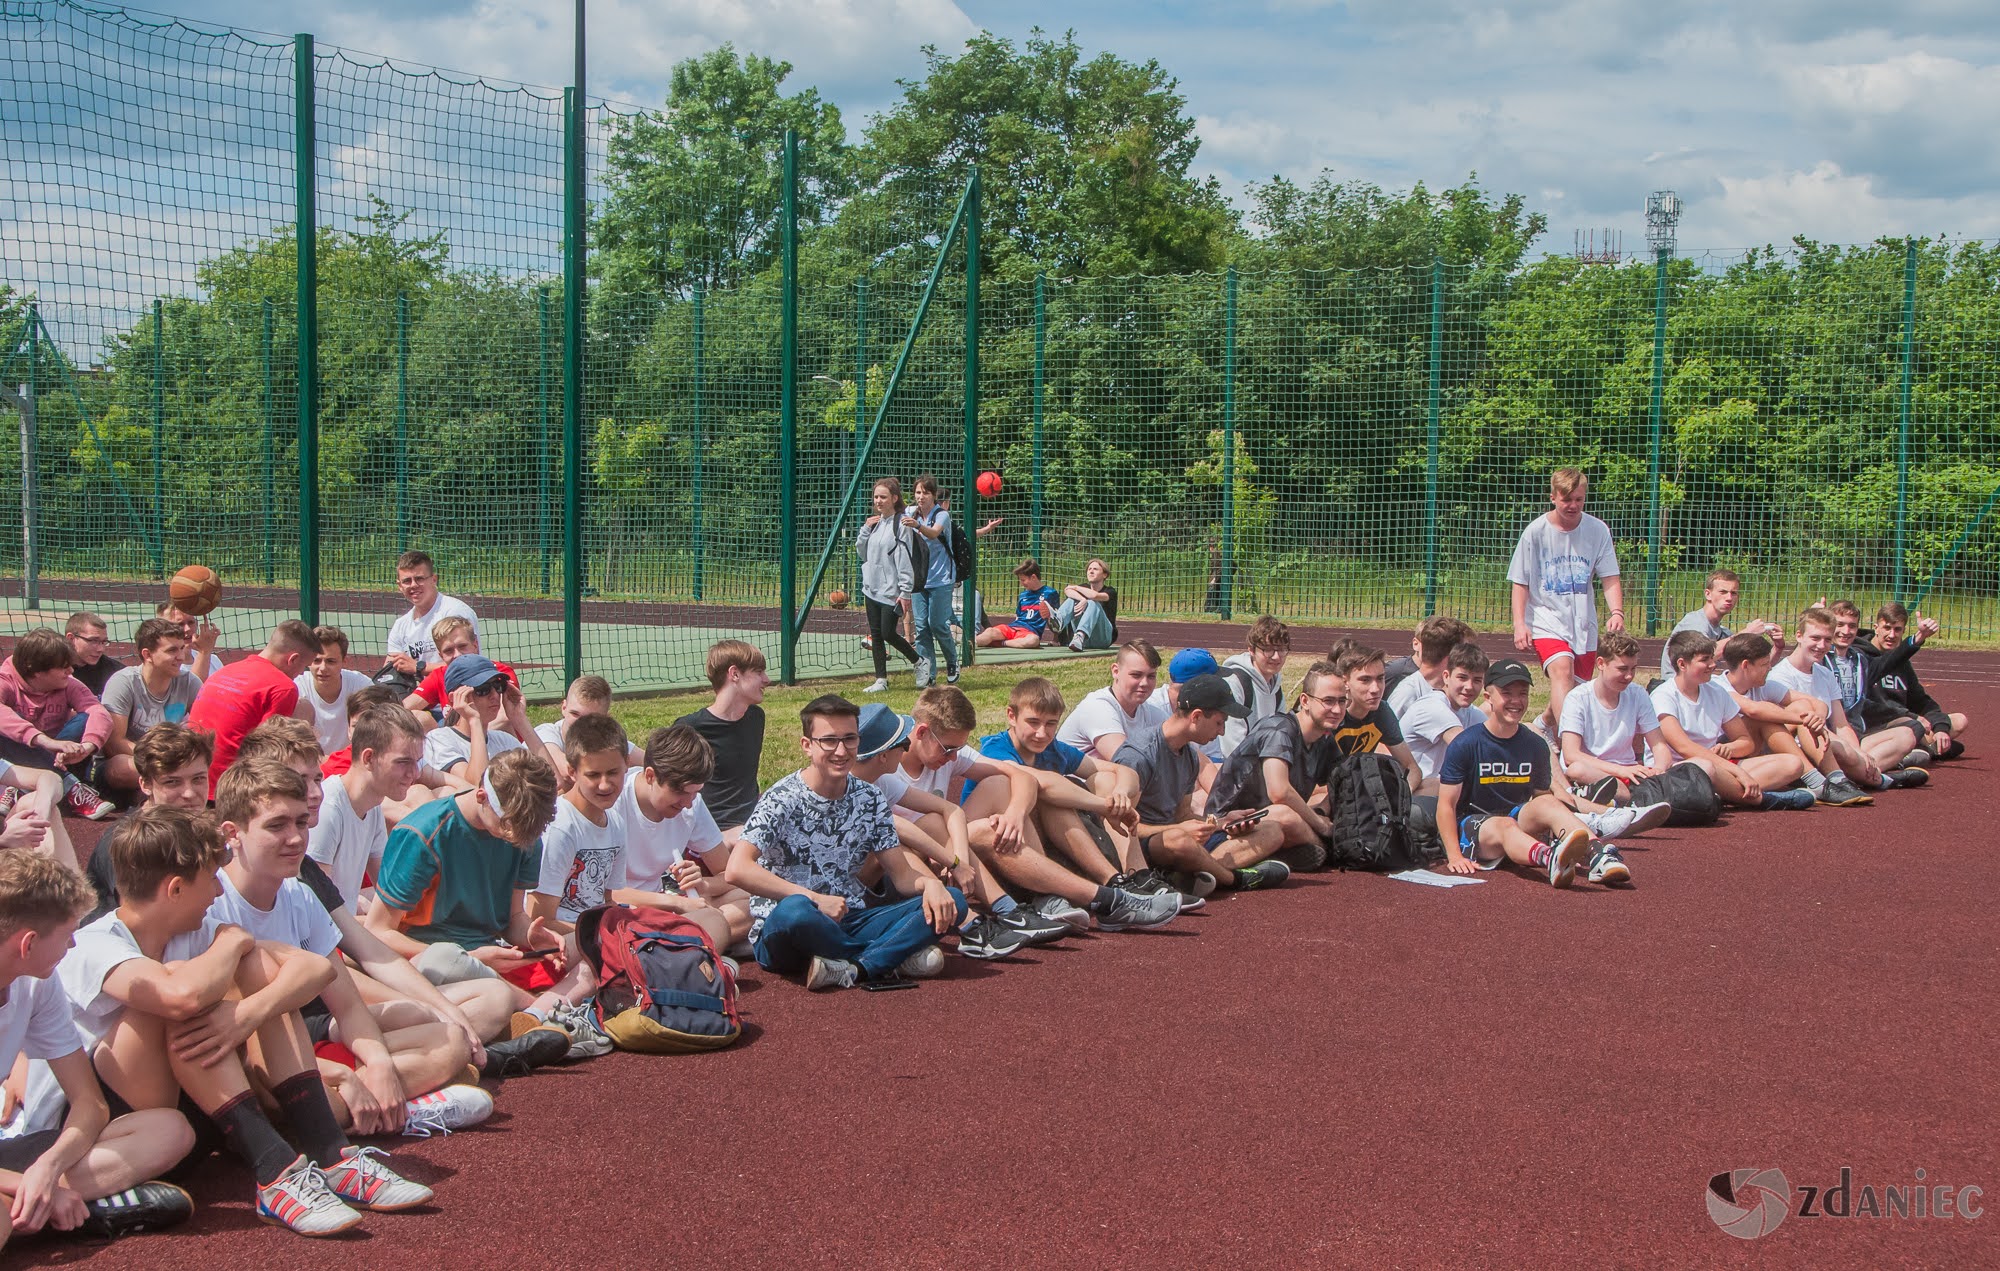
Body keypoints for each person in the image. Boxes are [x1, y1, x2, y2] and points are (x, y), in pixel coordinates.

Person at [53, 806, 433, 1236]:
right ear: (175, 889)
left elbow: (314, 969)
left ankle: (331, 1156)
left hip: (194, 1106)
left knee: (255, 971)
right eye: (211, 879)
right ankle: (275, 1169)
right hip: (112, 1121)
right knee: (185, 988)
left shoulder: (200, 930)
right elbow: (180, 997)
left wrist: (250, 1008)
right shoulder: (93, 943)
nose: (219, 890)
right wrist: (232, 944)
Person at [211, 760, 490, 1139]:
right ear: (233, 833)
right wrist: (340, 1074)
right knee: (283, 1093)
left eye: (300, 822)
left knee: (451, 1040)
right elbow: (238, 1046)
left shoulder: (300, 894)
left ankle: (367, 1109)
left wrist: (378, 1066)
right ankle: (393, 1110)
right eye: (276, 826)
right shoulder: (211, 904)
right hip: (244, 1064)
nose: (295, 838)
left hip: (306, 1047)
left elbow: (346, 1001)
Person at [0, 851, 193, 1246]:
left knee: (170, 1130)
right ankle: (65, 1208)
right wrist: (34, 1185)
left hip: (9, 1150)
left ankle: (37, 1208)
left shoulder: (39, 982)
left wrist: (48, 1169)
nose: (74, 944)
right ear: (28, 943)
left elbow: (90, 1103)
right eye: (68, 933)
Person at [364, 748, 607, 1055]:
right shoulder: (423, 834)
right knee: (453, 963)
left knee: (594, 942)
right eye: (506, 824)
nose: (512, 836)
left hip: (493, 956)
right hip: (431, 960)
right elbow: (377, 933)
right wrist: (472, 956)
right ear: (481, 796)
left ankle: (533, 1018)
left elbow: (512, 920)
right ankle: (542, 1013)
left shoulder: (522, 833)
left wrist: (531, 935)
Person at [723, 695, 965, 991]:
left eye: (849, 740)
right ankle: (888, 957)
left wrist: (930, 885)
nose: (841, 751)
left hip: (849, 918)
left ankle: (856, 968)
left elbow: (901, 876)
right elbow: (737, 869)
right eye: (829, 741)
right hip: (790, 929)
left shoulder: (871, 797)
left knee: (955, 900)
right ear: (807, 745)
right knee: (795, 909)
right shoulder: (781, 798)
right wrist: (815, 899)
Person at [973, 679, 1182, 933]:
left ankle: (1126, 879)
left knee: (1105, 779)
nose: (1042, 733)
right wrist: (1104, 806)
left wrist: (1120, 797)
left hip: (1039, 847)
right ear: (1011, 716)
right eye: (1033, 722)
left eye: (1051, 724)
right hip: (1002, 854)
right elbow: (1042, 782)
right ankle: (1099, 891)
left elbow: (1124, 771)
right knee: (1046, 793)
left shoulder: (1054, 750)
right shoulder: (995, 749)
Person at [1436, 658, 1609, 886]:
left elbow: (1541, 800)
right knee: (1505, 824)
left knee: (1549, 802)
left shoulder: (1535, 745)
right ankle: (1550, 858)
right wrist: (1455, 855)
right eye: (1507, 693)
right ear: (1488, 698)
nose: (1516, 701)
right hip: (1474, 828)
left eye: (1523, 693)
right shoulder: (1465, 744)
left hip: (1516, 819)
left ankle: (1599, 854)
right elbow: (1445, 805)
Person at [1115, 675, 1293, 891]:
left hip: (1180, 840)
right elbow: (1121, 828)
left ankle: (1197, 874)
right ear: (1197, 716)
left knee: (1272, 830)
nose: (1222, 732)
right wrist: (1180, 829)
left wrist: (1221, 823)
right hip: (1147, 846)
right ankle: (1234, 879)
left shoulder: (1189, 755)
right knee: (1178, 840)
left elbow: (1183, 816)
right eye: (1219, 722)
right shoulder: (1138, 755)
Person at [617, 725, 755, 952]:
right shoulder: (615, 802)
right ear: (651, 776)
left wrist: (702, 883)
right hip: (623, 911)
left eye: (696, 792)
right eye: (681, 792)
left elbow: (729, 874)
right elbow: (606, 892)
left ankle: (692, 942)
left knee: (756, 898)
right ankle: (705, 941)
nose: (688, 802)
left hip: (664, 909)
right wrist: (679, 903)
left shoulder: (691, 805)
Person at [1508, 467, 1623, 737]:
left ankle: (1545, 723)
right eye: (1566, 499)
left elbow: (1610, 576)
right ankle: (1569, 744)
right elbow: (1520, 581)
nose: (1572, 506)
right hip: (1546, 618)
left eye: (1579, 500)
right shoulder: (1535, 532)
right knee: (1562, 670)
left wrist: (1616, 611)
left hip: (1583, 623)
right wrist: (1519, 623)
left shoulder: (1597, 530)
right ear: (1553, 497)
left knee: (1577, 687)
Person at [1204, 660, 1346, 871]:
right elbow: (1279, 792)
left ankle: (1283, 854)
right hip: (1230, 824)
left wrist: (1323, 811)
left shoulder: (1324, 737)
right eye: (1328, 701)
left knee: (1312, 806)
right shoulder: (1280, 730)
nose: (1337, 709)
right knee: (1286, 816)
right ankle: (1331, 850)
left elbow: (1339, 782)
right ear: (1305, 701)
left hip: (1269, 819)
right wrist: (1322, 825)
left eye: (1342, 701)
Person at [1769, 607, 1926, 797]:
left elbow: (1842, 724)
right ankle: (1881, 779)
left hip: (1830, 743)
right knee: (1836, 744)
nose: (1821, 645)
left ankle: (1856, 776)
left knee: (1905, 735)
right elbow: (1791, 730)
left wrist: (1859, 753)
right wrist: (1852, 752)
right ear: (1799, 636)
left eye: (1827, 639)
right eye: (1815, 638)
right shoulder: (1780, 676)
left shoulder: (1825, 673)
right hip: (1803, 748)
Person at [1649, 630, 1814, 810]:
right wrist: (1738, 772)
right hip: (1681, 770)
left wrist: (1729, 748)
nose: (1712, 665)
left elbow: (1746, 742)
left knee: (1793, 764)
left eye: (1712, 658)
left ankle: (1725, 793)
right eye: (1705, 660)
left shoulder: (1717, 691)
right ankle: (1760, 800)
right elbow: (1684, 748)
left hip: (1719, 767)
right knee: (1705, 767)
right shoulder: (1663, 695)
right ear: (1682, 664)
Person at [184, 618, 318, 796]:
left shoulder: (227, 670)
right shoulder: (282, 686)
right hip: (230, 789)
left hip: (194, 778)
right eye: (304, 667)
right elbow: (270, 751)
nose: (301, 673)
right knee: (304, 709)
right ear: (293, 659)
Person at [0, 628, 114, 820]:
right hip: (19, 757)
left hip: (62, 757)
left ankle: (21, 790)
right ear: (36, 671)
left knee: (86, 718)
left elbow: (98, 712)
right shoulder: (6, 680)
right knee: (6, 725)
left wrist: (88, 746)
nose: (70, 671)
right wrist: (42, 740)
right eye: (63, 667)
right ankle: (71, 787)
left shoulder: (69, 683)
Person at [673, 640, 768, 838]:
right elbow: (676, 793)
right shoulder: (690, 728)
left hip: (751, 823)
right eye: (758, 672)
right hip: (708, 831)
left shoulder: (756, 718)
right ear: (734, 674)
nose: (766, 679)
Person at [1822, 600, 1930, 773]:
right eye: (1839, 625)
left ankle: (1859, 771)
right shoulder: (1819, 658)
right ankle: (1877, 772)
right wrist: (1813, 617)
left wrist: (1918, 638)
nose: (1845, 631)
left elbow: (1890, 660)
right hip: (1829, 736)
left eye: (1852, 626)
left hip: (1857, 734)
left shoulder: (1860, 661)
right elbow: (1802, 652)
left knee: (1908, 734)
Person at [98, 618, 202, 796]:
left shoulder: (189, 682)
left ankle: (162, 794)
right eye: (172, 650)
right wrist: (161, 759)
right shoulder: (124, 682)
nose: (181, 657)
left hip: (172, 762)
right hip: (135, 760)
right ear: (147, 655)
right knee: (122, 768)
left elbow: (206, 726)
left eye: (181, 648)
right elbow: (114, 744)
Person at [1863, 602, 1968, 760]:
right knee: (1911, 726)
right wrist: (1912, 717)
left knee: (1959, 721)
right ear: (1876, 627)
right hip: (1877, 723)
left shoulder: (1903, 664)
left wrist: (1940, 729)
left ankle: (1923, 748)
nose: (1892, 635)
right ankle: (1922, 749)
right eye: (1887, 628)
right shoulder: (1860, 657)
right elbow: (1868, 706)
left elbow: (1921, 702)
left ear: (1904, 631)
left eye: (1897, 629)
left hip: (1908, 722)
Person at [419, 655, 532, 789]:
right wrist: (474, 721)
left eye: (498, 686)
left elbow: (551, 781)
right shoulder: (439, 739)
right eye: (483, 689)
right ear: (455, 698)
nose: (495, 695)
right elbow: (479, 788)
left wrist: (520, 720)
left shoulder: (504, 740)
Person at [1325, 639, 1422, 794]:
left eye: (1380, 678)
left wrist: (1403, 796)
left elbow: (1412, 768)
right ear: (1345, 682)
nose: (1376, 689)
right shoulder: (1329, 714)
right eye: (1365, 680)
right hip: (1324, 793)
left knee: (1433, 785)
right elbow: (1313, 783)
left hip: (1359, 789)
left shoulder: (1381, 711)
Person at [855, 477, 921, 693]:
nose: (878, 501)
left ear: (894, 498)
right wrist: (865, 530)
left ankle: (919, 662)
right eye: (876, 497)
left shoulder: (901, 524)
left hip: (892, 590)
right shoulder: (874, 524)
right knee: (876, 633)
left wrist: (905, 591)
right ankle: (881, 679)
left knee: (888, 633)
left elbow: (904, 559)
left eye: (883, 497)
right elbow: (863, 553)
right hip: (871, 587)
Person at [1658, 569, 1783, 681]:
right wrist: (1747, 633)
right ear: (1708, 594)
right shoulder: (1694, 622)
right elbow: (1700, 655)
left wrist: (1778, 648)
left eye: (1733, 593)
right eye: (1723, 592)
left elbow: (1755, 669)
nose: (1729, 598)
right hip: (1677, 687)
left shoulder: (1723, 632)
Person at [1056, 640, 1167, 761]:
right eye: (1136, 675)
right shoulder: (1097, 708)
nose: (1144, 683)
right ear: (1115, 671)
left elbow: (1186, 745)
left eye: (1151, 676)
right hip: (1069, 778)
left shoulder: (1147, 710)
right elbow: (1126, 761)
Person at [400, 616, 521, 726]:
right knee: (419, 719)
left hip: (500, 743)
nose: (457, 655)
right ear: (441, 655)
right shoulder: (440, 675)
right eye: (449, 651)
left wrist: (468, 740)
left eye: (462, 646)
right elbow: (404, 708)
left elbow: (503, 718)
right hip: (459, 740)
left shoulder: (499, 672)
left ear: (475, 645)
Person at [533, 675, 640, 791]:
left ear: (605, 719)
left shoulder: (606, 741)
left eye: (589, 718)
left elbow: (651, 761)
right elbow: (566, 771)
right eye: (575, 714)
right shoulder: (545, 733)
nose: (579, 723)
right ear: (564, 707)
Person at [903, 475, 961, 688]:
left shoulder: (942, 515)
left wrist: (917, 525)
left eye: (925, 493)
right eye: (918, 493)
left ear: (934, 495)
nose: (921, 497)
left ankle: (953, 661)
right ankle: (928, 673)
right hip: (919, 579)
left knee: (936, 624)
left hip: (941, 578)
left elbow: (934, 533)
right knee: (921, 627)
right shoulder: (910, 512)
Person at [385, 551, 480, 676]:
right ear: (400, 586)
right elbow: (389, 667)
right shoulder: (400, 625)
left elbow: (467, 664)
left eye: (419, 579)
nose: (413, 585)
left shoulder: (454, 612)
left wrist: (418, 667)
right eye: (407, 581)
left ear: (434, 579)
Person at [292, 626, 373, 755]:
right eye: (316, 661)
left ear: (344, 660)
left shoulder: (361, 685)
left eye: (331, 661)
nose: (323, 668)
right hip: (309, 764)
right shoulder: (296, 687)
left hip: (350, 763)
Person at [1217, 618, 1289, 757]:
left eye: (1281, 649)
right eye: (1268, 650)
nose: (1276, 657)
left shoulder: (1275, 687)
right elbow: (1232, 747)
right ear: (1251, 649)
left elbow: (1279, 734)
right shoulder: (1235, 683)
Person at [1385, 616, 1476, 714]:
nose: (1470, 657)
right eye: (1466, 652)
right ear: (1451, 657)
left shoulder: (1454, 692)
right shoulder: (1408, 693)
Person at [318, 685, 405, 779]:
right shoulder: (337, 772)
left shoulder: (410, 761)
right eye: (356, 726)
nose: (363, 733)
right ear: (349, 730)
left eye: (373, 727)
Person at [975, 558, 1060, 650]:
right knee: (990, 631)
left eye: (1023, 580)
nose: (1021, 583)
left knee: (1034, 640)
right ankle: (970, 644)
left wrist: (1056, 639)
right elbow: (1018, 616)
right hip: (1013, 628)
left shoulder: (1050, 593)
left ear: (1033, 577)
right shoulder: (1023, 595)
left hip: (1029, 632)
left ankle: (1001, 643)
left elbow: (1057, 618)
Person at [1053, 558, 1119, 653]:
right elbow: (1067, 590)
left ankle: (1080, 634)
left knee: (1093, 602)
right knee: (1073, 599)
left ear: (1105, 574)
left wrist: (1076, 588)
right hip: (1082, 642)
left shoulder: (1110, 591)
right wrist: (1082, 599)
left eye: (1095, 569)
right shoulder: (1083, 587)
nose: (1091, 571)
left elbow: (1095, 595)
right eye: (1089, 569)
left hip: (1102, 639)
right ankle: (1059, 621)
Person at [63, 613, 123, 700]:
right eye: (94, 641)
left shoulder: (115, 672)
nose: (101, 649)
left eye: (104, 642)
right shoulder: (51, 669)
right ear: (71, 639)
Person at [153, 602, 218, 682]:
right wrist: (204, 651)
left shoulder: (213, 660)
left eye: (191, 622)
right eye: (180, 624)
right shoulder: (164, 665)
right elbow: (193, 690)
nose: (187, 629)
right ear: (162, 630)